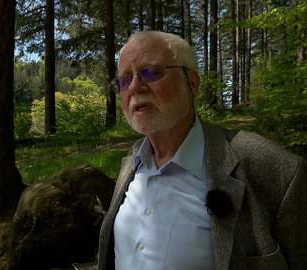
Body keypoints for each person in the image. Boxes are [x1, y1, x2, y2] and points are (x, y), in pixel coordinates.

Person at [97, 31, 307, 270]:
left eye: (151, 72)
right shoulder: (132, 160)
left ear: (192, 84)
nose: (134, 86)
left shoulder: (274, 169)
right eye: (124, 80)